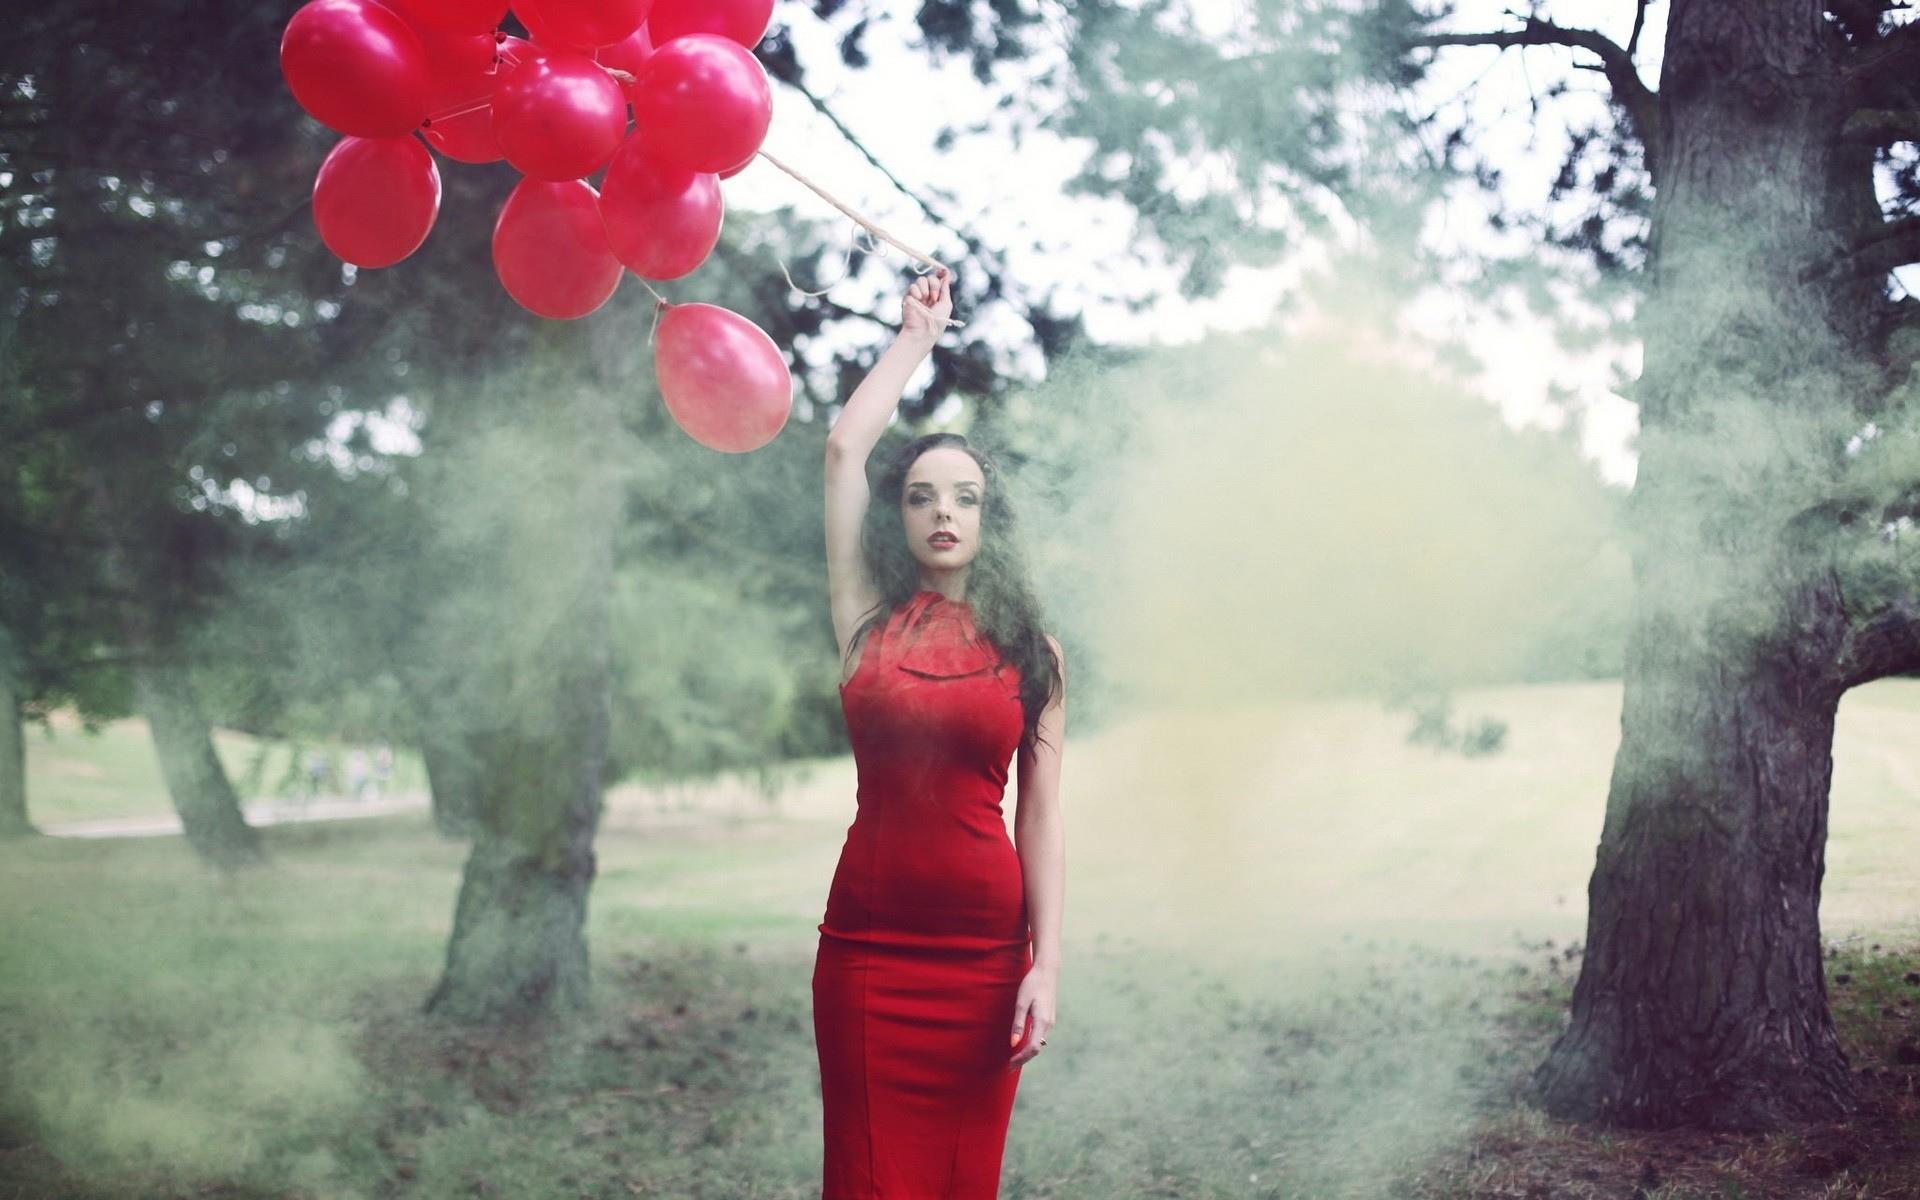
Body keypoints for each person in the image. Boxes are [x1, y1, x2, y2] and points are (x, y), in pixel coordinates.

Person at [814, 265, 1068, 1198]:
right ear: (901, 517)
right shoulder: (864, 621)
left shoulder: (1034, 652)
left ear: (989, 518)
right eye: (921, 496)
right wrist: (915, 339)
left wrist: (1047, 966)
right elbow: (844, 449)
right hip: (868, 954)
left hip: (983, 960)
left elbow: (1040, 818)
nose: (943, 513)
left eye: (964, 496)